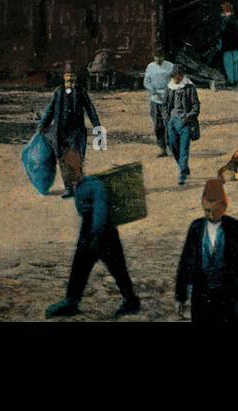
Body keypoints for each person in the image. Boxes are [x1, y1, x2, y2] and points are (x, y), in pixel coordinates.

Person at [45, 149, 141, 318]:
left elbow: (100, 212)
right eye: (65, 170)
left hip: (104, 232)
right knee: (80, 265)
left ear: (78, 168)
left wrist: (96, 236)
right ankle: (72, 301)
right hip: (89, 229)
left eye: (68, 170)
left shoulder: (94, 185)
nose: (65, 174)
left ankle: (130, 300)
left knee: (117, 267)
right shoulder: (79, 186)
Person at [174, 178, 238, 323]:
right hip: (201, 297)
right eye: (207, 211)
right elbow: (185, 263)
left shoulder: (236, 228)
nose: (211, 215)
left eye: (215, 211)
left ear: (224, 207)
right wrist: (180, 296)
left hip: (229, 297)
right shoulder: (196, 228)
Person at [37, 65, 103, 198]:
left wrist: (97, 126)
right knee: (63, 160)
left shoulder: (80, 92)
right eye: (67, 81)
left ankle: (77, 186)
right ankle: (68, 188)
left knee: (75, 159)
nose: (70, 83)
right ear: (64, 79)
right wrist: (43, 124)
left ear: (75, 80)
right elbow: (50, 110)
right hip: (61, 132)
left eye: (72, 81)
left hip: (76, 131)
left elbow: (90, 109)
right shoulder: (58, 92)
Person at [165, 66, 201, 187]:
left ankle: (182, 173)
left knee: (184, 149)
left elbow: (196, 107)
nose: (174, 78)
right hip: (172, 122)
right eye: (173, 76)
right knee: (173, 147)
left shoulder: (190, 88)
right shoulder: (170, 87)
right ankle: (183, 167)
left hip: (185, 123)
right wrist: (168, 118)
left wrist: (188, 117)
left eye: (175, 76)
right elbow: (165, 105)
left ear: (180, 75)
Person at [143, 49, 175, 156]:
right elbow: (146, 81)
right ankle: (162, 148)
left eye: (160, 57)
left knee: (168, 123)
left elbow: (176, 80)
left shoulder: (170, 66)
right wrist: (153, 91)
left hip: (167, 98)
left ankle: (170, 147)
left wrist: (169, 92)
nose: (158, 59)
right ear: (154, 57)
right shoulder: (150, 66)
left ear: (164, 56)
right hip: (155, 98)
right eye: (156, 57)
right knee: (157, 124)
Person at [218, 1, 238, 87]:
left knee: (228, 65)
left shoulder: (226, 20)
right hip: (237, 46)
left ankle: (231, 82)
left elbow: (222, 31)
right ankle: (235, 81)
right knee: (235, 64)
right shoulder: (237, 19)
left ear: (225, 10)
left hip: (228, 46)